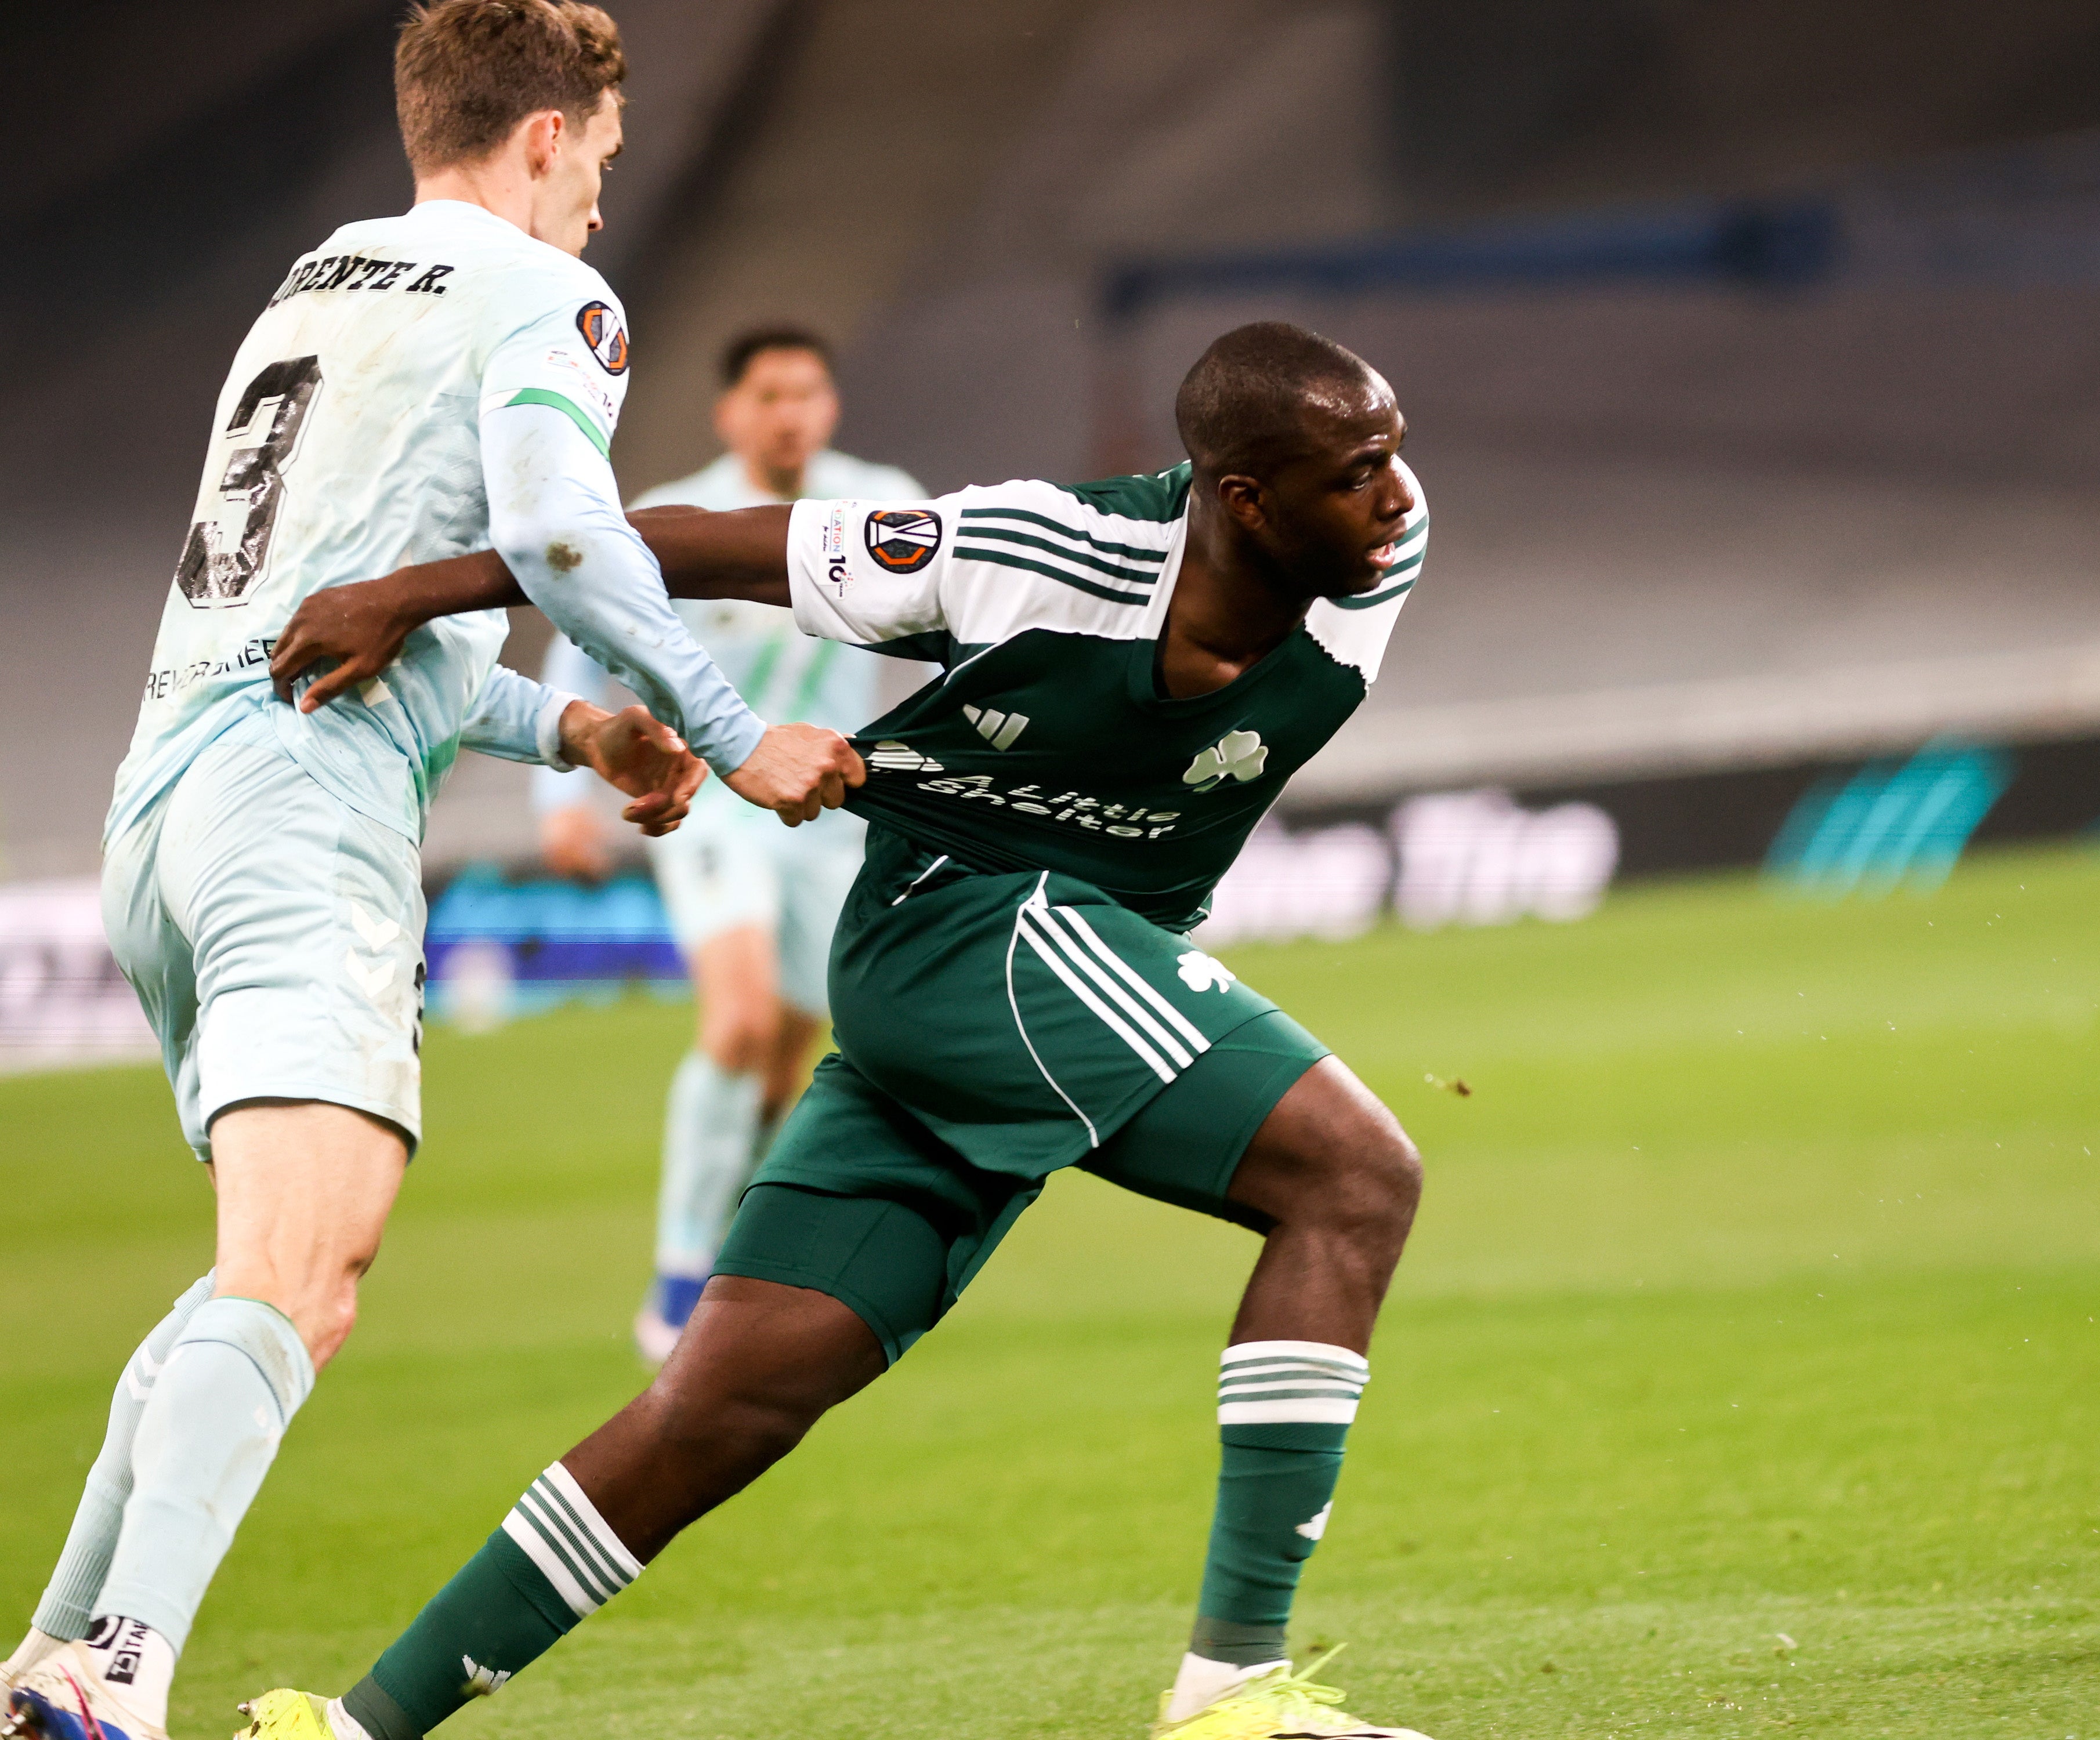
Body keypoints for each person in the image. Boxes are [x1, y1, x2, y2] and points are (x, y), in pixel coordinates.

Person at [239, 321, 1438, 1740]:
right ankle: (1235, 1693)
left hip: (1011, 973)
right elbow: (694, 542)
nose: (1399, 495)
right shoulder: (1041, 554)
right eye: (1361, 469)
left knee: (723, 1404)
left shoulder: (1383, 551)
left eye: (1396, 456)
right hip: (968, 924)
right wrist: (413, 591)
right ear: (1243, 497)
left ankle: (350, 1726)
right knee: (1356, 1176)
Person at [0, 9, 865, 1740]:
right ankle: (114, 1681)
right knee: (299, 1278)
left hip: (169, 806)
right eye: (602, 166)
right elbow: (559, 533)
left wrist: (576, 733)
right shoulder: (550, 298)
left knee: (257, 1275)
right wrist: (719, 720)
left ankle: (54, 1672)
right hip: (300, 827)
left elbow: (339, 623)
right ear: (544, 137)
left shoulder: (319, 280)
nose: (604, 210)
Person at [530, 327, 928, 1364]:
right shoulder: (682, 517)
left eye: (807, 392)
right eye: (769, 395)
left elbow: (948, 629)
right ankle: (674, 1290)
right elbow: (580, 636)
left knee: (787, 1060)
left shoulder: (878, 504)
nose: (789, 412)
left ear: (830, 406)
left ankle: (737, 1264)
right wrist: (560, 803)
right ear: (732, 413)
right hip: (714, 800)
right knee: (741, 1019)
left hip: (829, 813)